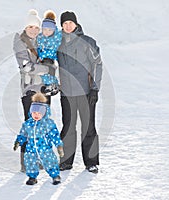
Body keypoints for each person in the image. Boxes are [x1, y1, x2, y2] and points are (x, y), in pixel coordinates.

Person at [57, 11, 103, 173]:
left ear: (76, 24)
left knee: (88, 127)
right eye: (65, 23)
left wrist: (94, 89)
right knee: (68, 127)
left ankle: (91, 162)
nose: (68, 26)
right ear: (61, 25)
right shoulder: (57, 42)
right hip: (66, 93)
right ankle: (66, 161)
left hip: (85, 92)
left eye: (71, 23)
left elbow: (97, 64)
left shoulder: (87, 42)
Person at [13, 9, 51, 172]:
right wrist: (46, 69)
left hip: (43, 90)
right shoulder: (20, 42)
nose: (34, 31)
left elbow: (52, 63)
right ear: (26, 28)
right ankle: (26, 163)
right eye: (31, 27)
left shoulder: (42, 41)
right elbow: (26, 66)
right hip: (30, 90)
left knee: (41, 126)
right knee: (30, 126)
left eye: (36, 28)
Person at [13, 93, 64, 185]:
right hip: (31, 148)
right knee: (30, 162)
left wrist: (59, 146)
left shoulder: (48, 123)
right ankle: (32, 177)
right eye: (34, 113)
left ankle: (55, 176)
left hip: (45, 149)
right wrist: (18, 141)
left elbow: (54, 135)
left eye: (39, 113)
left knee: (50, 161)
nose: (36, 115)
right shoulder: (28, 123)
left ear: (44, 113)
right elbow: (23, 133)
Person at [36, 10, 62, 97]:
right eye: (45, 29)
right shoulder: (40, 38)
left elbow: (58, 50)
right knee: (42, 72)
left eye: (50, 30)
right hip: (41, 60)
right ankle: (46, 86)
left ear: (54, 30)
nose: (47, 32)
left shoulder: (56, 38)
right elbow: (37, 48)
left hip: (51, 60)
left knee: (50, 71)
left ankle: (52, 85)